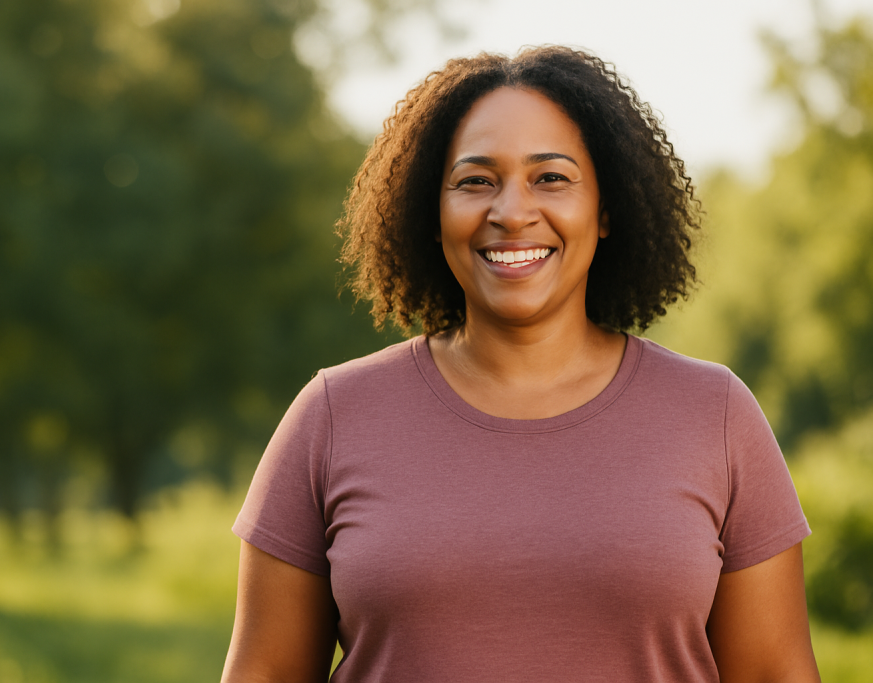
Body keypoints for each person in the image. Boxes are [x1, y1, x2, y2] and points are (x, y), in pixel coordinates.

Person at [221, 46, 821, 682]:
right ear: (433, 212)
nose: (510, 212)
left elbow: (772, 673)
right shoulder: (334, 414)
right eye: (476, 181)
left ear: (607, 208)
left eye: (551, 178)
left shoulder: (715, 415)